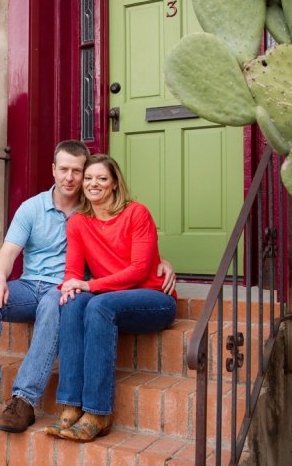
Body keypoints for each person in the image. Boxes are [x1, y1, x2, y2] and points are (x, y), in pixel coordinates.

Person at [0, 142, 176, 434]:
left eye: (80, 172)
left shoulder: (108, 211)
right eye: (66, 170)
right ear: (53, 170)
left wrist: (160, 260)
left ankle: (24, 401)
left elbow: (132, 254)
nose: (73, 178)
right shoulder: (51, 213)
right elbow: (10, 252)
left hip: (77, 290)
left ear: (112, 182)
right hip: (33, 285)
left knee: (62, 301)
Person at [46, 154, 178, 442]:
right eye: (89, 178)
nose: (94, 184)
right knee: (71, 301)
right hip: (110, 296)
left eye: (102, 178)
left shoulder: (136, 213)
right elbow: (72, 270)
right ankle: (70, 406)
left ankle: (97, 411)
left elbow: (139, 270)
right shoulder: (79, 222)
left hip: (154, 298)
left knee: (97, 305)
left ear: (115, 183)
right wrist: (70, 286)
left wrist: (89, 286)